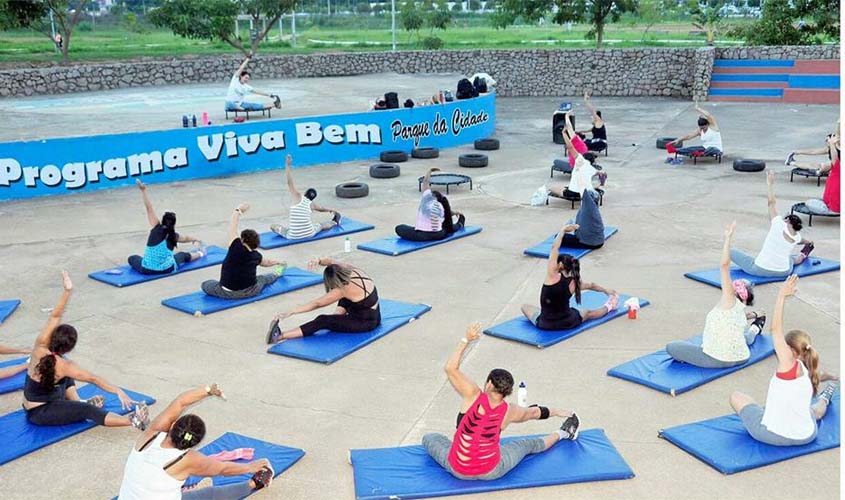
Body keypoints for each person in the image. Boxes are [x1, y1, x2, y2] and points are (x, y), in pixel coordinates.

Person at [422, 323, 580, 481]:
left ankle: (468, 451)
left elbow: (450, 368)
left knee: (430, 438)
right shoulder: (510, 411)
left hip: (458, 469)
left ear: (489, 383)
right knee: (528, 445)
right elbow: (534, 412)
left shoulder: (472, 395)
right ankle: (564, 432)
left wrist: (466, 339)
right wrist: (557, 412)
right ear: (508, 391)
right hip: (491, 471)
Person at [23, 271, 148, 429]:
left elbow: (54, 317)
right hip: (41, 412)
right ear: (70, 347)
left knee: (66, 377)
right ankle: (133, 421)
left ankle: (77, 401)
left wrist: (67, 291)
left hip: (33, 405)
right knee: (87, 410)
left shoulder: (39, 347)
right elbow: (94, 379)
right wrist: (118, 391)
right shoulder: (66, 366)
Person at [730, 275, 839, 446]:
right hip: (807, 434)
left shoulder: (788, 364)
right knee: (814, 412)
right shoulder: (807, 368)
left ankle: (825, 396)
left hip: (775, 435)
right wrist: (833, 376)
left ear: (790, 351)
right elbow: (819, 375)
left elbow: (775, 330)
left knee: (736, 397)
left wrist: (781, 296)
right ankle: (826, 397)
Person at [118, 383, 276, 500]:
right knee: (210, 494)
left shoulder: (150, 435)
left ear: (172, 426)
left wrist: (208, 390)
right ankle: (253, 484)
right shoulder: (188, 459)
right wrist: (251, 466)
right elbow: (223, 469)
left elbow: (180, 402)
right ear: (194, 444)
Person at [666, 222, 767, 368]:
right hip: (742, 356)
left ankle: (754, 329)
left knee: (672, 347)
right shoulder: (740, 307)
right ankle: (755, 329)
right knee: (738, 335)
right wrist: (751, 315)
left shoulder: (728, 299)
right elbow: (732, 321)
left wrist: (727, 238)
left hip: (717, 359)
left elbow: (724, 266)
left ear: (734, 290)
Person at [521, 224, 619, 330]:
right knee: (588, 313)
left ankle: (549, 313)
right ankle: (610, 306)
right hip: (568, 322)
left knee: (525, 306)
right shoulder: (574, 283)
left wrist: (563, 230)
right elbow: (591, 285)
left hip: (546, 324)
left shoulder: (552, 275)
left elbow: (555, 247)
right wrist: (606, 290)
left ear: (560, 265)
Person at [266, 257, 380, 343]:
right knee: (345, 300)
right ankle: (337, 319)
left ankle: (279, 336)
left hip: (366, 323)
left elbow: (317, 303)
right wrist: (319, 260)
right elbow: (331, 261)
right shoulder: (351, 269)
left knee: (323, 320)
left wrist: (291, 311)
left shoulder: (343, 289)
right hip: (371, 313)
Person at [731, 171, 814, 278]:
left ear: (787, 221)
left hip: (760, 269)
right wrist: (809, 243)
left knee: (731, 251)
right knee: (791, 259)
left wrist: (770, 184)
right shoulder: (796, 237)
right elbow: (803, 241)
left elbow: (771, 203)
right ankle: (803, 254)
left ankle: (802, 254)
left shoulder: (778, 224)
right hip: (783, 272)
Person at [201, 203, 286, 299]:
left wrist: (238, 210)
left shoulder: (235, 245)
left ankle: (276, 273)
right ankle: (278, 273)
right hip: (251, 291)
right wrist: (277, 262)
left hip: (227, 292)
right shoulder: (256, 256)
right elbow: (267, 263)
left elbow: (233, 225)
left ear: (242, 239)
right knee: (263, 279)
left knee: (205, 284)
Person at [128, 180, 205, 275]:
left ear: (162, 220)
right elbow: (186, 238)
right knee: (182, 255)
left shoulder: (156, 227)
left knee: (132, 258)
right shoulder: (174, 236)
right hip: (167, 269)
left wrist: (143, 191)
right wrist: (196, 239)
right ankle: (200, 254)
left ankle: (199, 254)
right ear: (174, 224)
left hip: (147, 270)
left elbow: (149, 208)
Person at [270, 154, 341, 240]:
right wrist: (332, 210)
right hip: (310, 233)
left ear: (305, 193)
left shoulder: (298, 197)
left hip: (293, 236)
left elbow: (289, 183)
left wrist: (287, 165)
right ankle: (334, 222)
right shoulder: (311, 204)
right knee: (321, 226)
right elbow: (321, 208)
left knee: (273, 226)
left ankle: (290, 230)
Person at [395, 168, 465, 241]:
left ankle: (458, 224)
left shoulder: (426, 199)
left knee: (399, 228)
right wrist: (455, 212)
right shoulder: (441, 207)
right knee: (447, 227)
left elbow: (425, 182)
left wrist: (430, 171)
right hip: (439, 234)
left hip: (422, 235)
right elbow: (447, 214)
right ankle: (460, 224)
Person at [802, 133, 840, 214]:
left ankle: (819, 170)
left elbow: (835, 160)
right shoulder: (829, 149)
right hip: (834, 170)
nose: (826, 142)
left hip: (832, 208)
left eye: (827, 140)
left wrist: (832, 144)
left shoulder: (836, 168)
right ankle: (792, 163)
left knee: (809, 202)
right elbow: (813, 151)